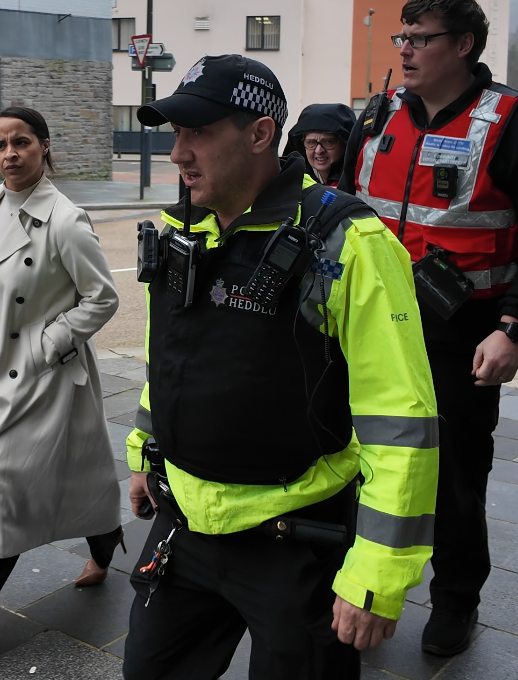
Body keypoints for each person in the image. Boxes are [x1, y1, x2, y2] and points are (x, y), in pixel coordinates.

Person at [122, 54, 439, 680]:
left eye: (198, 134)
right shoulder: (181, 227)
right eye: (175, 135)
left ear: (261, 134)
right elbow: (172, 357)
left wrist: (376, 573)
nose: (179, 154)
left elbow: (400, 420)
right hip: (183, 524)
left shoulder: (347, 244)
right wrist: (145, 452)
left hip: (296, 539)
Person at [339, 0, 518, 657]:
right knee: (355, 459)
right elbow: (341, 210)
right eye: (401, 36)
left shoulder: (514, 123)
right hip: (368, 324)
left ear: (465, 43)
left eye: (421, 38)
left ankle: (456, 601)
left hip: (460, 333)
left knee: (454, 478)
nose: (405, 49)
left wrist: (514, 327)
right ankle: (359, 585)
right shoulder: (378, 115)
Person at [0, 106, 123, 671]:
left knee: (1, 488)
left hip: (45, 375)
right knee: (77, 474)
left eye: (22, 143)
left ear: (44, 147)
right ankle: (106, 543)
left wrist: (46, 343)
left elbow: (103, 297)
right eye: (1, 144)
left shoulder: (65, 219)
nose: (10, 154)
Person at [282, 103, 356, 186]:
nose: (319, 150)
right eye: (311, 142)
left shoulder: (357, 181)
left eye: (328, 142)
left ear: (345, 144)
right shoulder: (293, 181)